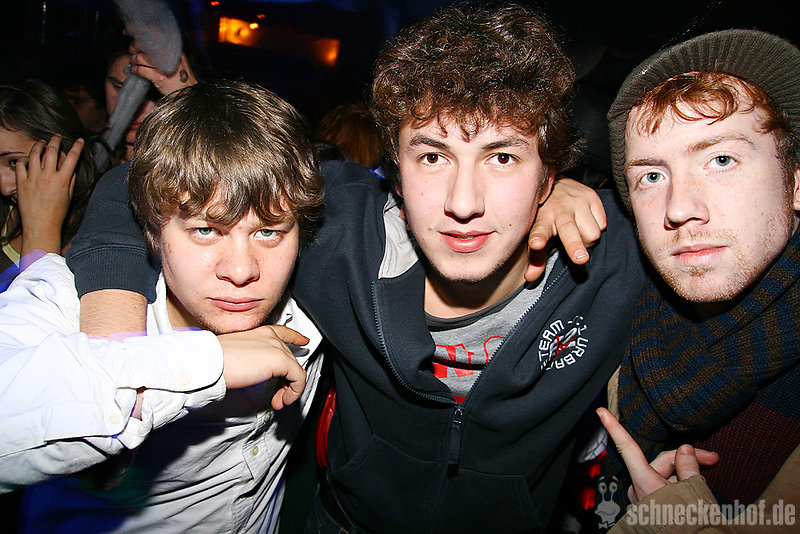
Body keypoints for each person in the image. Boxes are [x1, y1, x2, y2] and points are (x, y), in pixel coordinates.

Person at [64, 3, 642, 532]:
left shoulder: (614, 257)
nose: (464, 202)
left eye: (503, 157)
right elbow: (138, 187)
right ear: (395, 170)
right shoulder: (340, 233)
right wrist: (119, 362)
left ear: (547, 177)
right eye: (433, 155)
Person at [0, 80, 324, 534]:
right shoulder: (70, 302)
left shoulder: (311, 305)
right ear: (151, 228)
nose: (241, 270)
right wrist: (205, 364)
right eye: (206, 230)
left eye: (268, 232)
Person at [593, 29, 800, 532]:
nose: (680, 207)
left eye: (721, 160)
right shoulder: (630, 312)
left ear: (796, 183)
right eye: (652, 176)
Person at [0, 80, 96, 279]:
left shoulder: (98, 235)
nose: (4, 187)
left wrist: (42, 230)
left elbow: (39, 297)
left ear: (64, 153)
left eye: (15, 162)